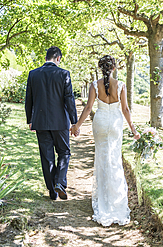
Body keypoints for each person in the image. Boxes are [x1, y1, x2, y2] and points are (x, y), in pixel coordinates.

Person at [70, 55, 140, 226]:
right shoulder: (121, 85)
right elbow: (125, 109)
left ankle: (103, 200)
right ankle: (115, 200)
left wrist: (77, 126)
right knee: (114, 160)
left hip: (100, 123)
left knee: (102, 159)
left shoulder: (95, 85)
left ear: (101, 68)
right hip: (115, 124)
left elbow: (88, 108)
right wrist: (134, 129)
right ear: (114, 68)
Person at [25, 46, 78, 201]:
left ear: (46, 57)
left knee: (47, 156)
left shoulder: (33, 74)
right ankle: (60, 182)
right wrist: (74, 122)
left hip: (40, 122)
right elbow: (69, 99)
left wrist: (30, 120)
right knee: (64, 152)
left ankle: (52, 191)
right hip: (60, 122)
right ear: (58, 58)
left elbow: (29, 99)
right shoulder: (63, 74)